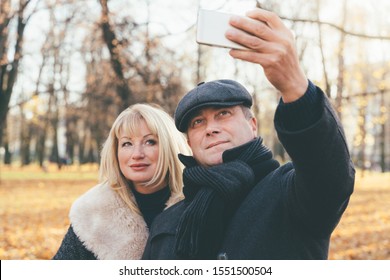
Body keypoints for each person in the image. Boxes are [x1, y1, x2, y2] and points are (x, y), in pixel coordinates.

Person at [142, 8, 355, 259]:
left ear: (252, 125)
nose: (211, 128)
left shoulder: (291, 191)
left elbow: (328, 172)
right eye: (198, 122)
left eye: (223, 114)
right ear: (189, 142)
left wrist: (295, 86)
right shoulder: (166, 223)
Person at [53, 104, 191, 259]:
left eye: (150, 142)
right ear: (115, 152)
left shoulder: (197, 204)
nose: (137, 154)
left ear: (170, 147)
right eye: (127, 144)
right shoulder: (93, 212)